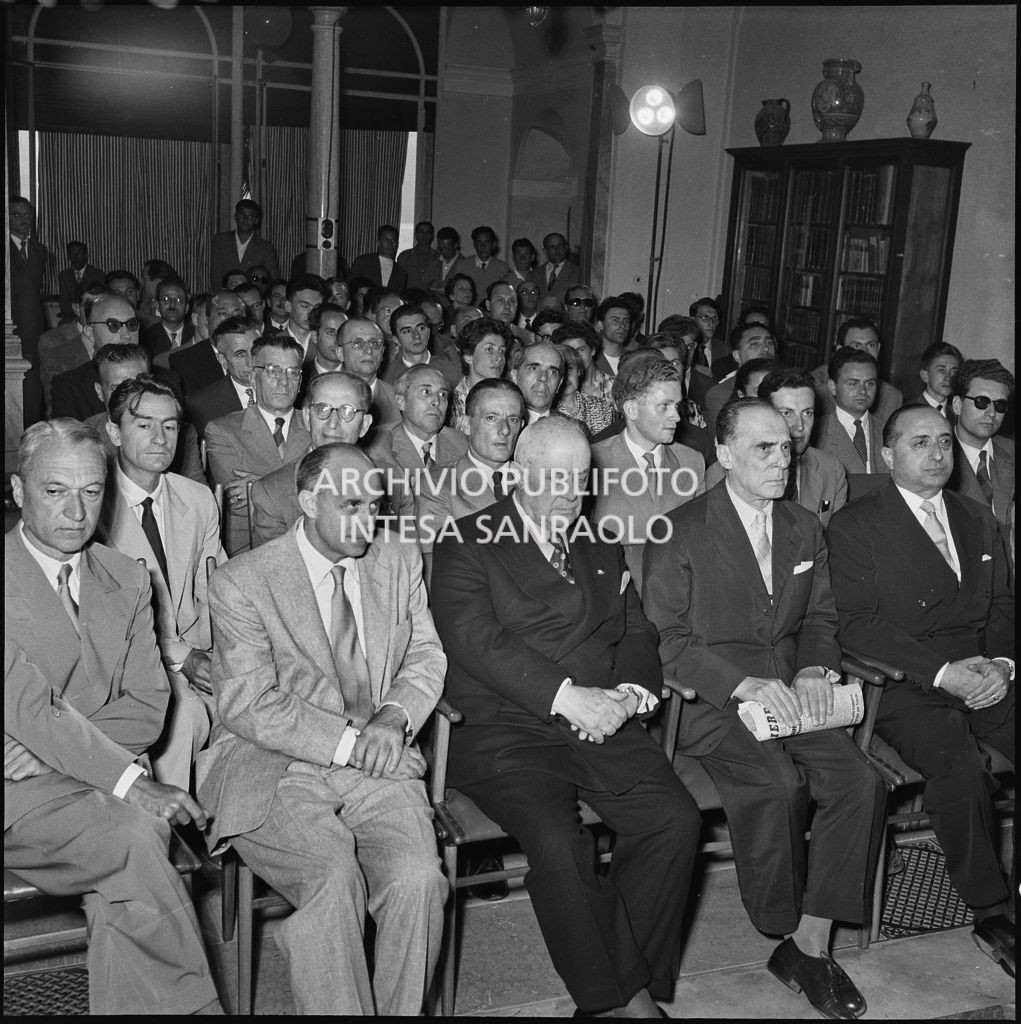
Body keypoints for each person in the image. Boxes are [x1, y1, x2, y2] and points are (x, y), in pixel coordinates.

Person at [431, 415, 701, 1017]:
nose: (567, 494)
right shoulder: (467, 539)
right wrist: (566, 695)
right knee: (558, 845)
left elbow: (636, 629)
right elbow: (478, 642)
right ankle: (627, 1006)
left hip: (601, 718)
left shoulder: (599, 541)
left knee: (675, 822)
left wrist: (631, 693)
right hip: (509, 729)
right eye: (553, 479)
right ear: (516, 473)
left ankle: (615, 986)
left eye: (579, 480)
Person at [642, 398, 884, 1021]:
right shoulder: (679, 528)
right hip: (717, 704)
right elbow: (666, 642)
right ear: (723, 455)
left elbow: (823, 617)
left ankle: (810, 941)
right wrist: (743, 685)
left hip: (792, 698)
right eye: (764, 449)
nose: (782, 461)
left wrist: (811, 668)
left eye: (787, 448)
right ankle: (781, 927)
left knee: (859, 781)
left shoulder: (805, 527)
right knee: (778, 784)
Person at [198, 442, 447, 1014]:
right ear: (308, 502)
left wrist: (392, 716)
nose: (368, 519)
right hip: (272, 763)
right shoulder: (244, 581)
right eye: (352, 503)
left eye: (375, 505)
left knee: (419, 881)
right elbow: (249, 703)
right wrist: (357, 745)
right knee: (332, 878)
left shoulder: (398, 559)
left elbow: (426, 656)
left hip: (377, 755)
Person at [5, 419, 222, 1014]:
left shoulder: (127, 576)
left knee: (127, 872)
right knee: (137, 833)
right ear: (20, 492)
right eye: (54, 491)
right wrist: (128, 780)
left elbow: (149, 704)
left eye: (92, 491)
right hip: (14, 798)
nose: (76, 510)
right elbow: (27, 705)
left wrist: (54, 743)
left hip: (76, 784)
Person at [826, 405, 1015, 977]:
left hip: (984, 671)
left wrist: (1004, 664)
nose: (937, 455)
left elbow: (1004, 606)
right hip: (909, 680)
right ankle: (992, 911)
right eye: (919, 443)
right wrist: (942, 673)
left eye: (944, 444)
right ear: (888, 455)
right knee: (959, 768)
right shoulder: (856, 524)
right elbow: (857, 624)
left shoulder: (977, 517)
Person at [94, 375, 225, 789]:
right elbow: (109, 621)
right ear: (114, 431)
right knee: (181, 714)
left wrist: (232, 655)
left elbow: (218, 587)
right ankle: (169, 836)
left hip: (204, 651)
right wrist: (183, 658)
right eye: (144, 424)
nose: (159, 438)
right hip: (131, 663)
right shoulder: (94, 508)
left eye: (169, 426)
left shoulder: (197, 498)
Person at [590, 356, 704, 592]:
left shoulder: (692, 462)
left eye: (677, 405)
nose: (676, 416)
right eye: (664, 406)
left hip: (676, 595)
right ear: (631, 409)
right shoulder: (593, 462)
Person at [249, 371, 385, 548]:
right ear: (306, 417)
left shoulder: (388, 480)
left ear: (365, 425)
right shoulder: (272, 492)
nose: (333, 423)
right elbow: (275, 569)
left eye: (347, 411)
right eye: (322, 409)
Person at [204, 335, 312, 555]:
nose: (284, 381)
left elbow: (329, 493)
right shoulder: (222, 430)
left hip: (310, 545)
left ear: (300, 383)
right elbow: (238, 500)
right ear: (254, 378)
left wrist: (258, 485)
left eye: (293, 373)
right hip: (250, 551)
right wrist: (304, 488)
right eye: (273, 370)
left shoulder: (316, 427)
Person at [706, 367, 848, 527]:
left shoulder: (831, 469)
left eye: (807, 413)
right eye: (787, 413)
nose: (800, 426)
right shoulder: (725, 472)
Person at [415, 377, 524, 579]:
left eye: (513, 419)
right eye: (492, 418)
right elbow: (437, 571)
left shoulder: (537, 481)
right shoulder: (439, 483)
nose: (505, 430)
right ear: (466, 424)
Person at [85, 343, 203, 483]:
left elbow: (195, 492)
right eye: (117, 388)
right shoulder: (85, 435)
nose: (132, 396)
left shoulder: (181, 433)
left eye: (139, 385)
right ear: (99, 392)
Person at [50, 292, 142, 421]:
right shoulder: (69, 386)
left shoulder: (166, 379)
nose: (126, 335)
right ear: (89, 332)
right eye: (113, 325)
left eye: (131, 324)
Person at [948, 359, 1015, 527]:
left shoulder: (1011, 452)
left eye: (1000, 405)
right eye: (982, 402)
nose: (991, 413)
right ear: (957, 405)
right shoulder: (938, 455)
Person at [814, 347, 890, 481]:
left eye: (870, 383)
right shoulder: (816, 433)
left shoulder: (889, 432)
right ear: (833, 386)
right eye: (853, 384)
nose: (862, 391)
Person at [811, 319, 903, 422]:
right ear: (839, 350)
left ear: (878, 349)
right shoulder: (814, 387)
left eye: (871, 345)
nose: (865, 352)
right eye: (856, 345)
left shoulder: (892, 397)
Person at [9, 196, 49, 425]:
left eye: (27, 215)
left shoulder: (39, 251)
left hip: (33, 327)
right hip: (9, 325)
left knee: (33, 383)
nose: (24, 220)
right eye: (17, 215)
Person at [169, 290, 246, 396]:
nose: (230, 320)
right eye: (222, 313)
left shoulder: (256, 353)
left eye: (237, 314)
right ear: (207, 321)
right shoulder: (184, 360)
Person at [702, 321, 777, 432]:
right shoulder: (721, 394)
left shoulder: (786, 387)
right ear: (737, 355)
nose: (766, 349)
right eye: (755, 344)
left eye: (770, 343)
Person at [337, 317, 402, 437]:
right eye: (358, 343)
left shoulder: (398, 400)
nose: (368, 350)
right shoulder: (322, 395)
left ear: (382, 352)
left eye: (374, 343)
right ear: (340, 353)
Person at [449, 316, 511, 432]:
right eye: (489, 350)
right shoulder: (450, 403)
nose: (499, 358)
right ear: (468, 356)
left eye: (502, 351)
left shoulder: (510, 398)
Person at [381, 303, 461, 389]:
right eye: (407, 331)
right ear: (396, 339)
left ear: (429, 332)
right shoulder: (389, 379)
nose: (416, 336)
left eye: (421, 328)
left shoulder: (452, 371)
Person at [210, 198, 280, 290]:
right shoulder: (220, 241)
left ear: (256, 220)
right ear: (235, 216)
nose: (246, 219)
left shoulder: (266, 247)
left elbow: (272, 280)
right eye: (242, 215)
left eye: (250, 217)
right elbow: (216, 275)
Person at [511, 340, 565, 426]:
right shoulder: (502, 426)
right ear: (515, 376)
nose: (543, 378)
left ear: (559, 384)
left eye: (552, 372)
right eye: (533, 368)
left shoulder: (574, 429)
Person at [905, 341, 963, 420]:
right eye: (941, 370)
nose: (948, 377)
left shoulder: (958, 414)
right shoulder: (908, 412)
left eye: (954, 372)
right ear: (925, 376)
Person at [141, 278, 194, 361]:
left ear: (186, 308)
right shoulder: (145, 339)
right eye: (166, 299)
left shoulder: (196, 335)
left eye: (179, 300)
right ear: (157, 305)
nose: (172, 304)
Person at [348, 224, 409, 293]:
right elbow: (350, 286)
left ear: (397, 243)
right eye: (386, 240)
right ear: (378, 243)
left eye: (393, 240)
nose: (390, 244)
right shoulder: (363, 261)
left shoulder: (400, 272)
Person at [284, 273, 331, 361]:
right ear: (288, 306)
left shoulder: (326, 345)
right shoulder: (272, 343)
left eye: (317, 307)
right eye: (305, 306)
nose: (311, 313)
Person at [57, 241, 104, 322]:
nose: (75, 257)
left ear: (86, 255)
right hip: (70, 318)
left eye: (78, 254)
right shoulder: (63, 276)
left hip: (92, 317)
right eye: (71, 254)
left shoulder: (98, 274)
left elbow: (99, 302)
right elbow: (64, 305)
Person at [456, 225, 510, 295]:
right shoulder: (462, 265)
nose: (483, 246)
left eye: (486, 242)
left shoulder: (502, 268)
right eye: (479, 243)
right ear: (474, 245)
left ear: (493, 245)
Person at [592, 296, 634, 385]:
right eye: (615, 320)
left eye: (626, 321)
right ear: (600, 325)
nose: (622, 326)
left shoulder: (634, 360)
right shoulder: (591, 360)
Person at [687, 297, 730, 377]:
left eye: (714, 318)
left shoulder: (724, 349)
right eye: (705, 318)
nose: (711, 323)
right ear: (692, 320)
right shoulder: (685, 345)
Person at [397, 220, 442, 293]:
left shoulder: (439, 257)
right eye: (421, 232)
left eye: (428, 232)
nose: (424, 235)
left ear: (432, 236)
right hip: (407, 297)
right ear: (416, 235)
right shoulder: (404, 256)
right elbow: (399, 281)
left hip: (430, 299)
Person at [536, 231, 580, 300]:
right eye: (552, 247)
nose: (557, 250)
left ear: (566, 248)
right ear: (545, 251)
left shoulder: (577, 273)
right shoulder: (533, 274)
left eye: (560, 246)